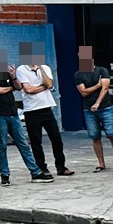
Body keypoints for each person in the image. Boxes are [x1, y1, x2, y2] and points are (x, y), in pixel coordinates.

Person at [0, 48, 48, 184]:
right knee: (2, 145)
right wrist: (11, 88)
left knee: (23, 144)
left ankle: (35, 172)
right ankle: (5, 175)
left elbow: (19, 87)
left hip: (13, 114)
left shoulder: (5, 73)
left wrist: (14, 76)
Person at [14, 41, 73, 177]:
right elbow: (28, 89)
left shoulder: (45, 68)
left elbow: (50, 83)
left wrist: (40, 69)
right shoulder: (22, 69)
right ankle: (42, 167)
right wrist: (44, 87)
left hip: (47, 108)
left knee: (56, 139)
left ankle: (61, 166)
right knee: (36, 142)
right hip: (32, 110)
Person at [75, 46, 113, 174]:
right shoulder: (78, 74)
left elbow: (105, 88)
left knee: (112, 135)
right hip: (89, 109)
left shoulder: (102, 70)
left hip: (105, 107)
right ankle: (101, 163)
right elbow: (84, 92)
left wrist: (97, 103)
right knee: (95, 137)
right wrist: (97, 85)